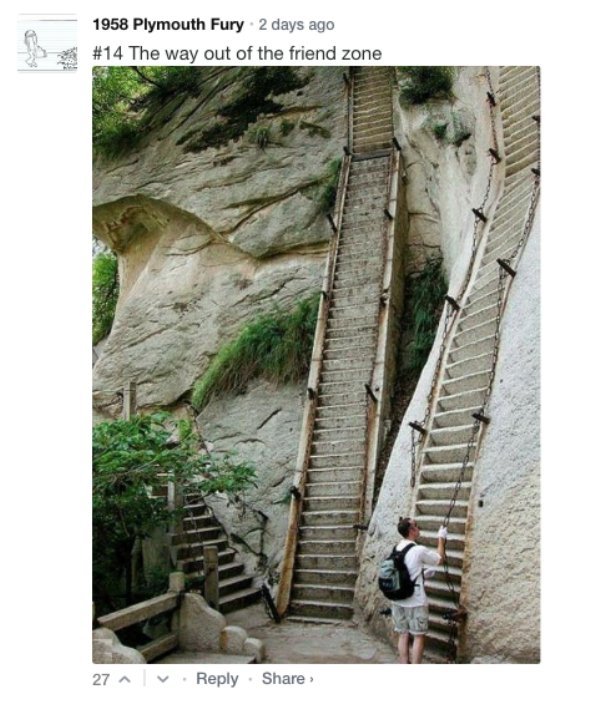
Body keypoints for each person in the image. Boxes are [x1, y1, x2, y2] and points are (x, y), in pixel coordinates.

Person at [391, 517, 447, 664]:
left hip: (397, 599)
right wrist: (441, 538)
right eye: (416, 526)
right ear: (411, 530)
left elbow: (406, 571)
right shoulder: (418, 550)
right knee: (418, 636)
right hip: (415, 600)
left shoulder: (396, 548)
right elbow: (439, 559)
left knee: (403, 635)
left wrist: (422, 574)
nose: (419, 528)